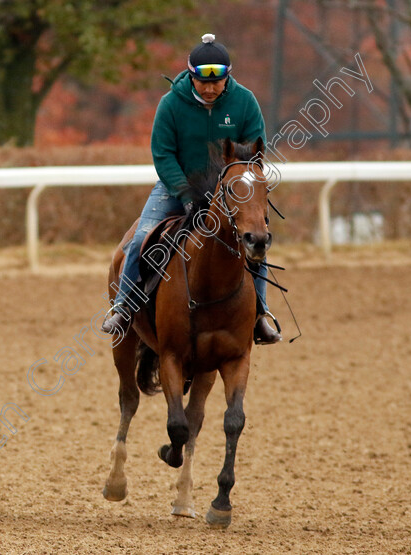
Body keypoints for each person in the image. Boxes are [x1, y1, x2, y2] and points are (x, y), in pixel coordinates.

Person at [101, 34, 281, 344]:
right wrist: (184, 193)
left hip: (229, 193)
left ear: (227, 77)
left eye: (217, 82)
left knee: (257, 240)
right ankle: (124, 307)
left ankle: (260, 315)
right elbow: (163, 154)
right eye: (203, 82)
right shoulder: (171, 104)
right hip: (176, 188)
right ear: (191, 75)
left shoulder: (245, 102)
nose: (210, 89)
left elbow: (253, 154)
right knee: (141, 237)